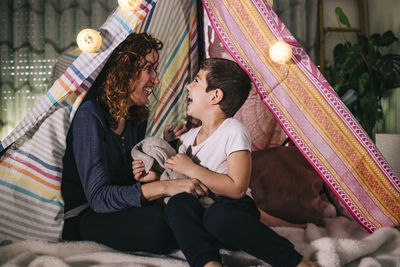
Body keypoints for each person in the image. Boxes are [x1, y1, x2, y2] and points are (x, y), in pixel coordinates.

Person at [61, 32, 209, 254]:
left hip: (119, 207)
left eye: (155, 69)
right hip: (85, 215)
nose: (156, 79)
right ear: (124, 70)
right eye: (148, 68)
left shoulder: (135, 116)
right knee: (160, 224)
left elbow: (126, 178)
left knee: (184, 210)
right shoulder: (89, 116)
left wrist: (164, 155)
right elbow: (99, 198)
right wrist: (166, 187)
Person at [163, 58, 316, 267]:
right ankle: (208, 263)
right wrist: (167, 145)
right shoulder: (188, 137)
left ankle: (295, 262)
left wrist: (192, 168)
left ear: (215, 96)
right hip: (203, 215)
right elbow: (174, 176)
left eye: (196, 81)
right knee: (178, 204)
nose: (189, 86)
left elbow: (236, 188)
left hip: (232, 213)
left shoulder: (233, 129)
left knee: (218, 216)